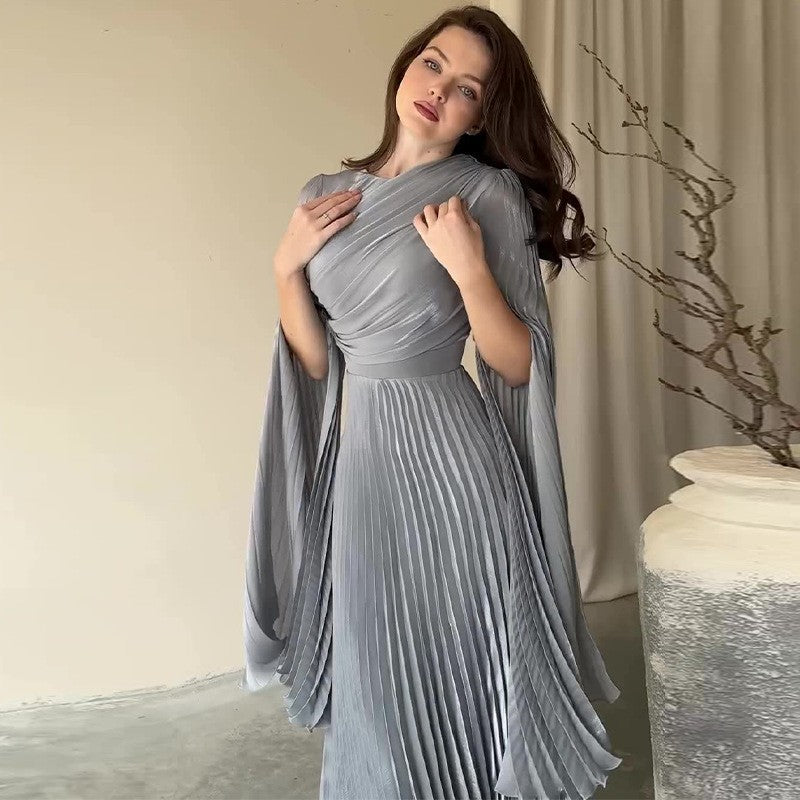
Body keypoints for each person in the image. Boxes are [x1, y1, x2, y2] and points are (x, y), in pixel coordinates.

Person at [240, 6, 622, 799]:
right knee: (374, 659)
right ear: (408, 65)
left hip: (455, 463)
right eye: (434, 64)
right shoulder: (324, 196)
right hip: (364, 466)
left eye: (468, 89)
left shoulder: (486, 194)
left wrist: (470, 270)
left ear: (481, 117)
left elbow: (516, 363)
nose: (441, 90)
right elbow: (316, 364)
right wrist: (285, 269)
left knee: (461, 654)